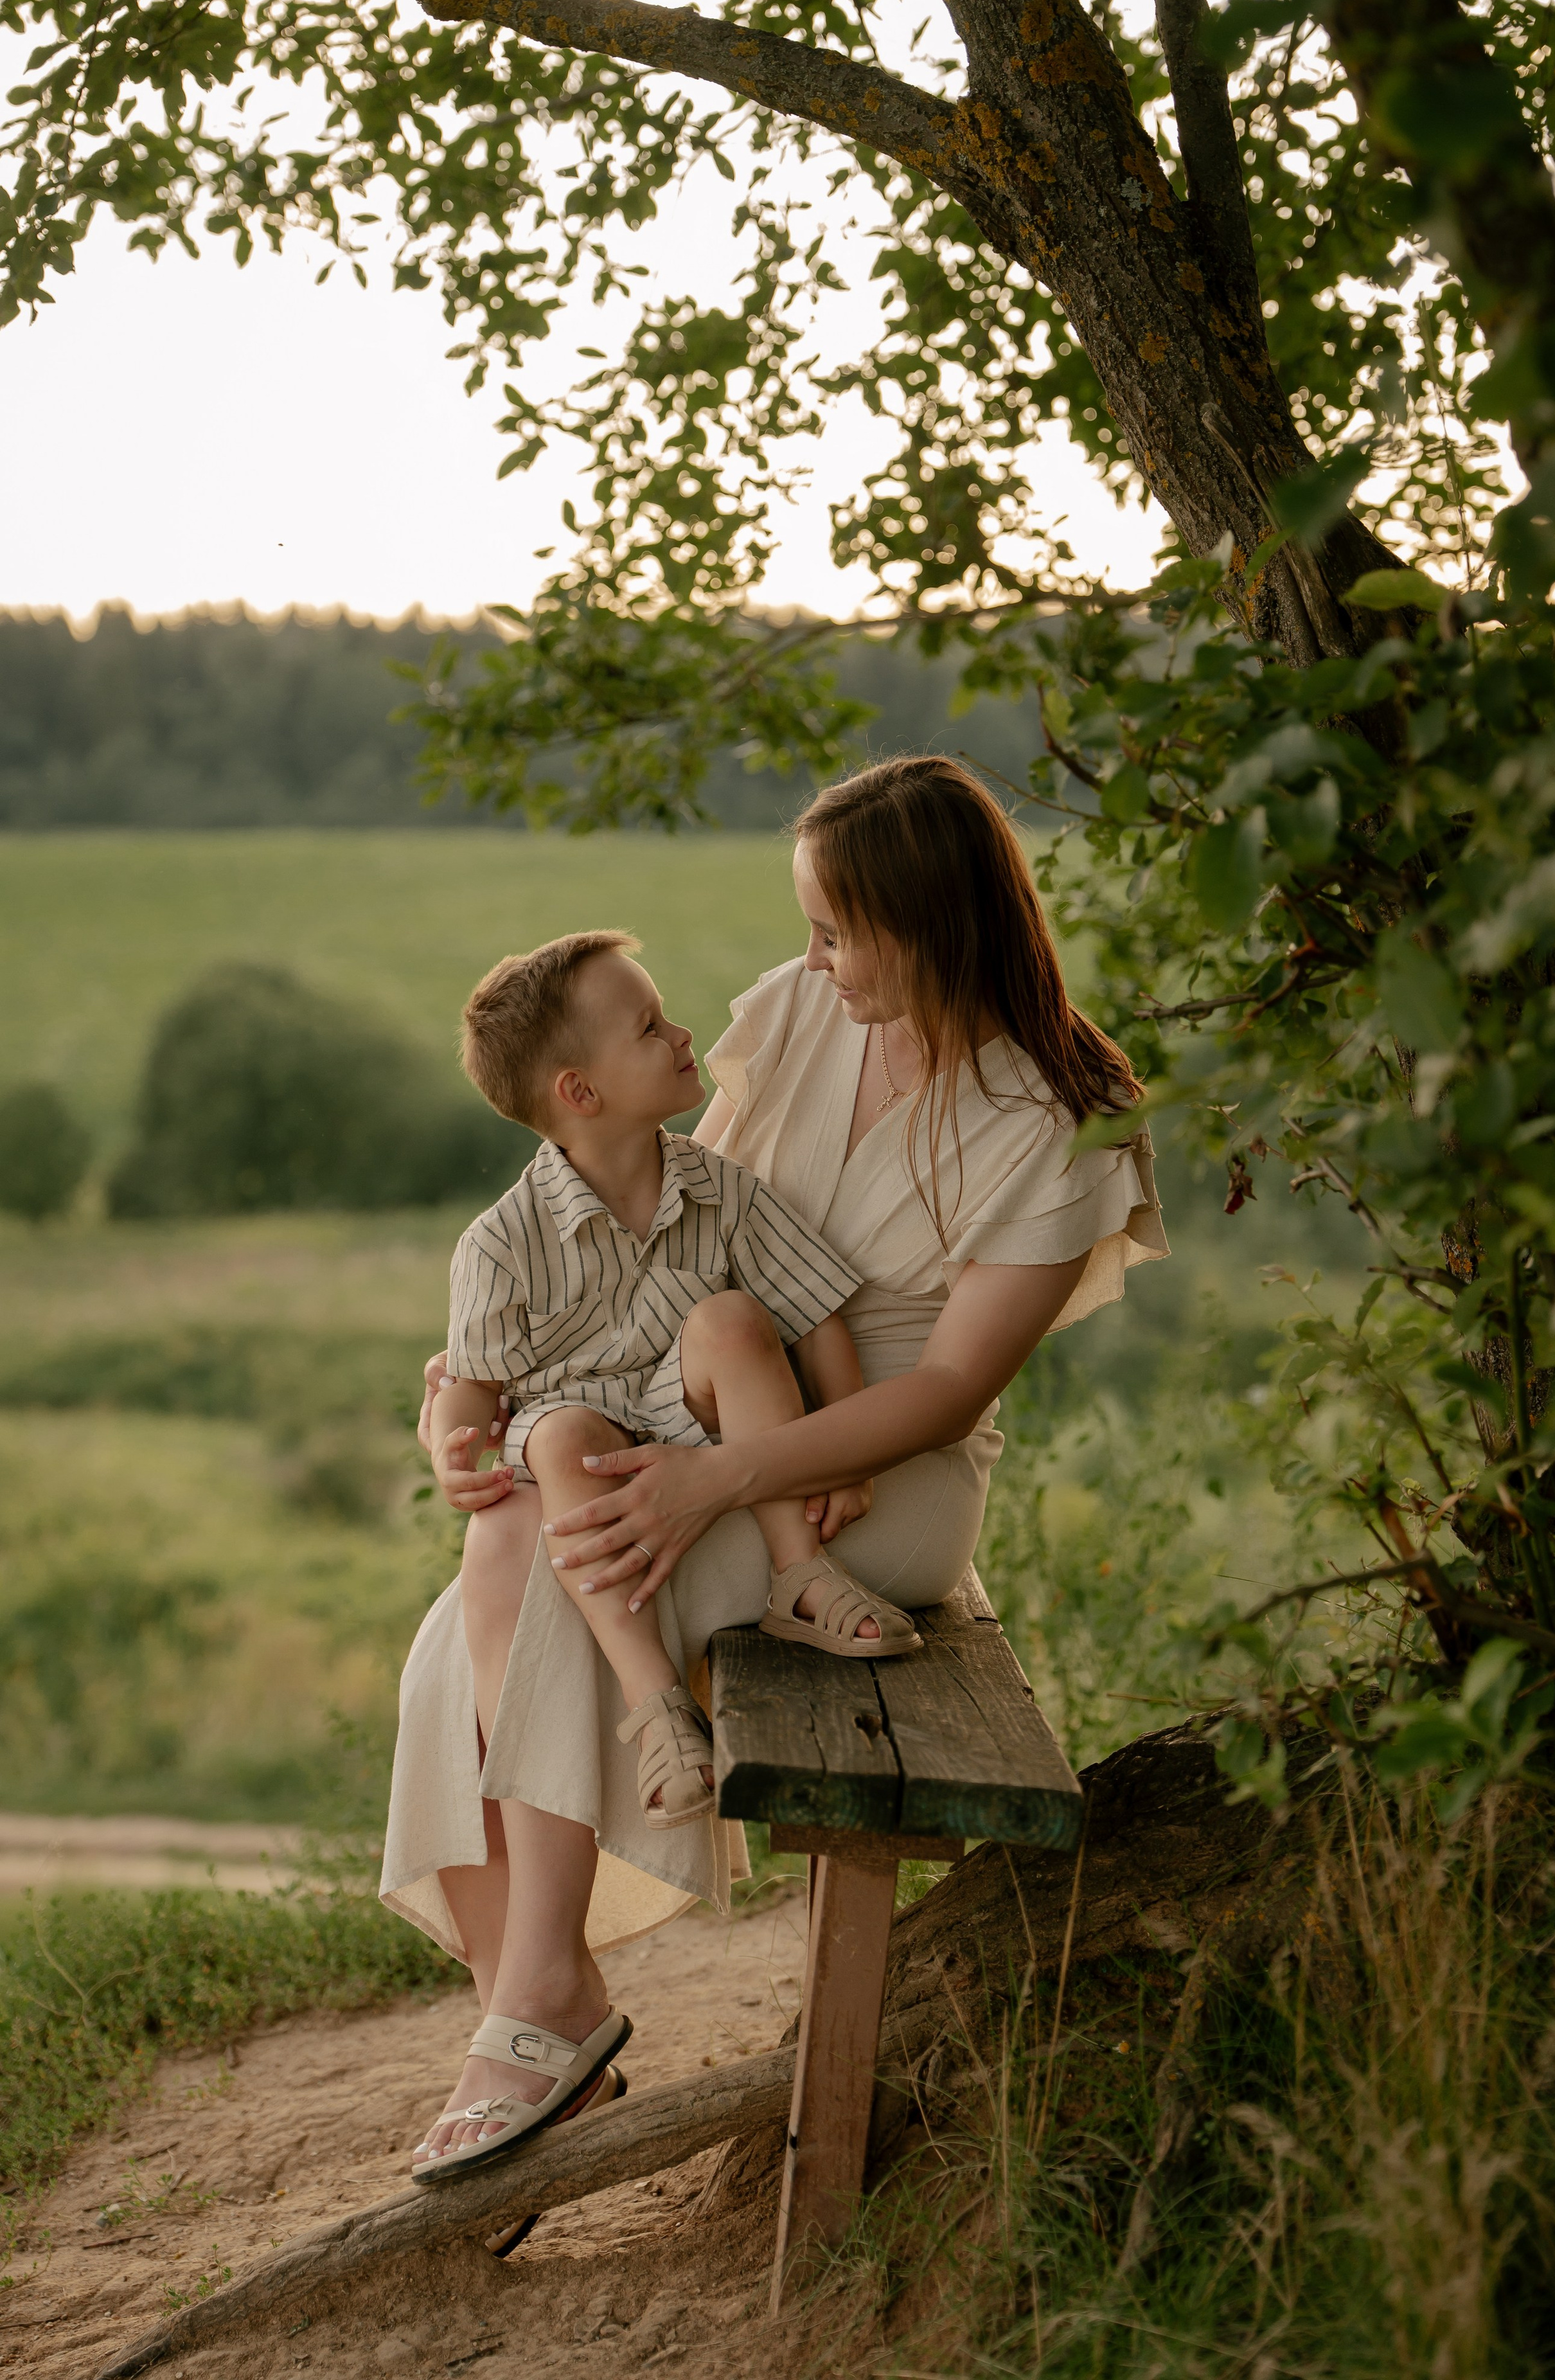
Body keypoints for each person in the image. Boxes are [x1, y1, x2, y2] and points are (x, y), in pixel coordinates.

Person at [384, 756, 1169, 2182]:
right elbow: (673, 1233)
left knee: (554, 1572)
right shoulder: (807, 1012)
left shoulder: (1058, 1119)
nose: (809, 960)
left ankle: (541, 2017)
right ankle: (536, 2011)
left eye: (836, 931)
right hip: (708, 1401)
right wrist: (486, 1386)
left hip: (881, 1477)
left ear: (926, 921)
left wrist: (712, 1484)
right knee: (491, 1561)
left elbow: (943, 1390)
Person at [413, 927, 929, 2182]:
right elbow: (470, 1393)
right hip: (585, 1454)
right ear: (577, 1096)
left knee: (732, 1315)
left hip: (708, 1443)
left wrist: (839, 1453)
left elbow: (815, 1323)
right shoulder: (500, 1242)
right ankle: (653, 1709)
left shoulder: (720, 1191)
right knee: (559, 1443)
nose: (683, 1034)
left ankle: (799, 1568)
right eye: (650, 1027)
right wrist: (447, 1443)